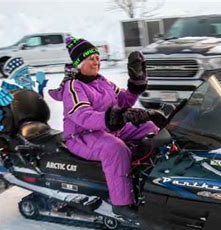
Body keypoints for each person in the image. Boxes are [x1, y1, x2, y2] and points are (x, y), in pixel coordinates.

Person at [49, 36, 158, 219]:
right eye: (91, 59)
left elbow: (123, 100)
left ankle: (152, 177)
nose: (96, 62)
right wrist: (117, 116)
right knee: (115, 148)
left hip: (109, 128)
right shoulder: (73, 87)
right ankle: (121, 204)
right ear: (79, 64)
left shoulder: (102, 81)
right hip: (82, 136)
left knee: (148, 126)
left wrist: (136, 82)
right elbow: (83, 116)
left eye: (97, 57)